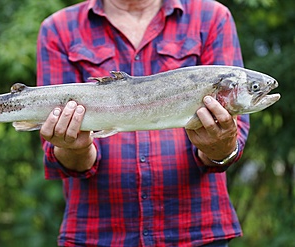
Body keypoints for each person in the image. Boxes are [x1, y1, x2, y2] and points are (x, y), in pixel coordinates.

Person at [36, 0, 250, 246]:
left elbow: (231, 145)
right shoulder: (58, 29)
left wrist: (219, 145)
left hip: (197, 232)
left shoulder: (211, 17)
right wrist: (75, 146)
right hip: (97, 234)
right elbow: (69, 161)